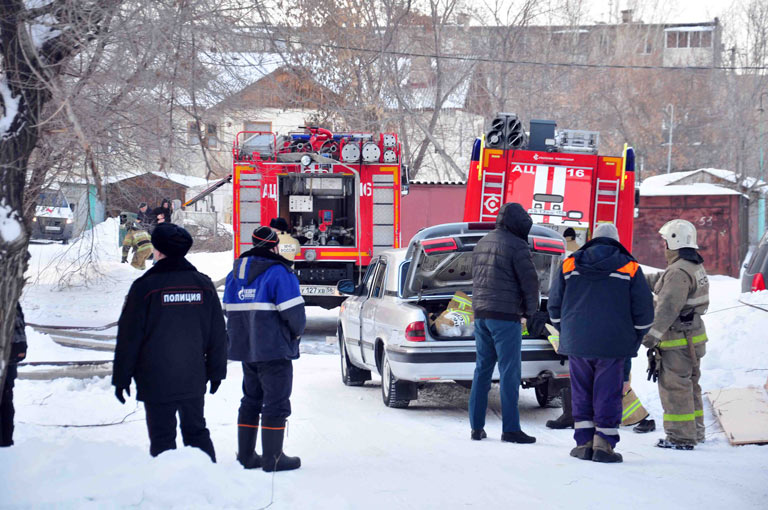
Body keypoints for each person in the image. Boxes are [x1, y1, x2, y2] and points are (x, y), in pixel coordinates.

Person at [113, 223, 227, 461]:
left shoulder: (145, 287)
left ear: (157, 250)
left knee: (162, 436)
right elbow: (217, 333)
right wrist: (216, 371)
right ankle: (209, 483)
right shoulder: (203, 285)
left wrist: (122, 377)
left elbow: (129, 337)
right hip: (192, 376)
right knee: (196, 432)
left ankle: (165, 490)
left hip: (155, 379)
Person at [548, 223, 654, 463]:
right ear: (616, 241)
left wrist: (567, 331)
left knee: (581, 392)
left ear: (593, 240)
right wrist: (634, 337)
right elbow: (644, 312)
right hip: (613, 344)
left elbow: (554, 306)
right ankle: (603, 446)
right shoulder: (630, 266)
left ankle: (584, 444)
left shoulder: (570, 263)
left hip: (577, 342)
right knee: (607, 393)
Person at [223, 226, 306, 472]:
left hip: (246, 348)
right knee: (276, 402)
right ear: (274, 246)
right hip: (274, 348)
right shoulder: (280, 272)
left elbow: (228, 309)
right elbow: (294, 314)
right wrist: (295, 334)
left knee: (251, 398)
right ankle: (273, 458)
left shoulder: (235, 272)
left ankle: (247, 456)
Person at [469, 203, 539, 444]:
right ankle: (510, 429)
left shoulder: (483, 241)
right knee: (510, 373)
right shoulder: (517, 245)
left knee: (482, 371)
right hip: (505, 317)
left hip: (481, 315)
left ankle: (476, 428)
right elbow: (530, 283)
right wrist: (531, 313)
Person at [643, 219, 709, 450]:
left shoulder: (678, 272)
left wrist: (650, 337)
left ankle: (680, 437)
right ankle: (695, 431)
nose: (663, 247)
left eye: (665, 242)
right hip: (692, 338)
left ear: (675, 241)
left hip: (677, 342)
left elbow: (667, 308)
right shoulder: (690, 266)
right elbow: (662, 282)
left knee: (675, 388)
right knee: (690, 386)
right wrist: (636, 277)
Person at [1, 303, 28, 447]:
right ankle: (5, 442)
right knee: (6, 400)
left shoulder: (8, 298)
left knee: (5, 401)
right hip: (10, 361)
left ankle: (5, 443)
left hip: (7, 360)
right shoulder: (12, 300)